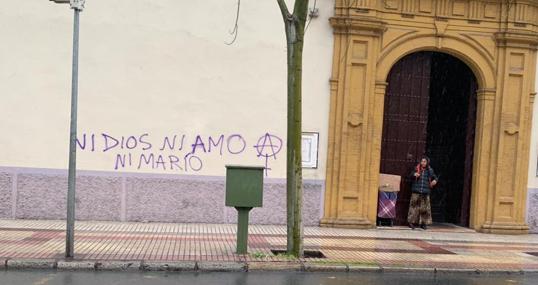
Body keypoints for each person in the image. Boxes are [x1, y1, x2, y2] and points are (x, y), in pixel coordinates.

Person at [408, 156, 438, 230]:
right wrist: (414, 175)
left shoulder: (430, 170)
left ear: (427, 162)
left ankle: (423, 223)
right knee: (413, 207)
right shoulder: (416, 169)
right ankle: (411, 222)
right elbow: (410, 176)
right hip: (416, 191)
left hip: (425, 192)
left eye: (424, 161)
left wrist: (435, 181)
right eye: (422, 161)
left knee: (424, 209)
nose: (423, 163)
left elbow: (435, 177)